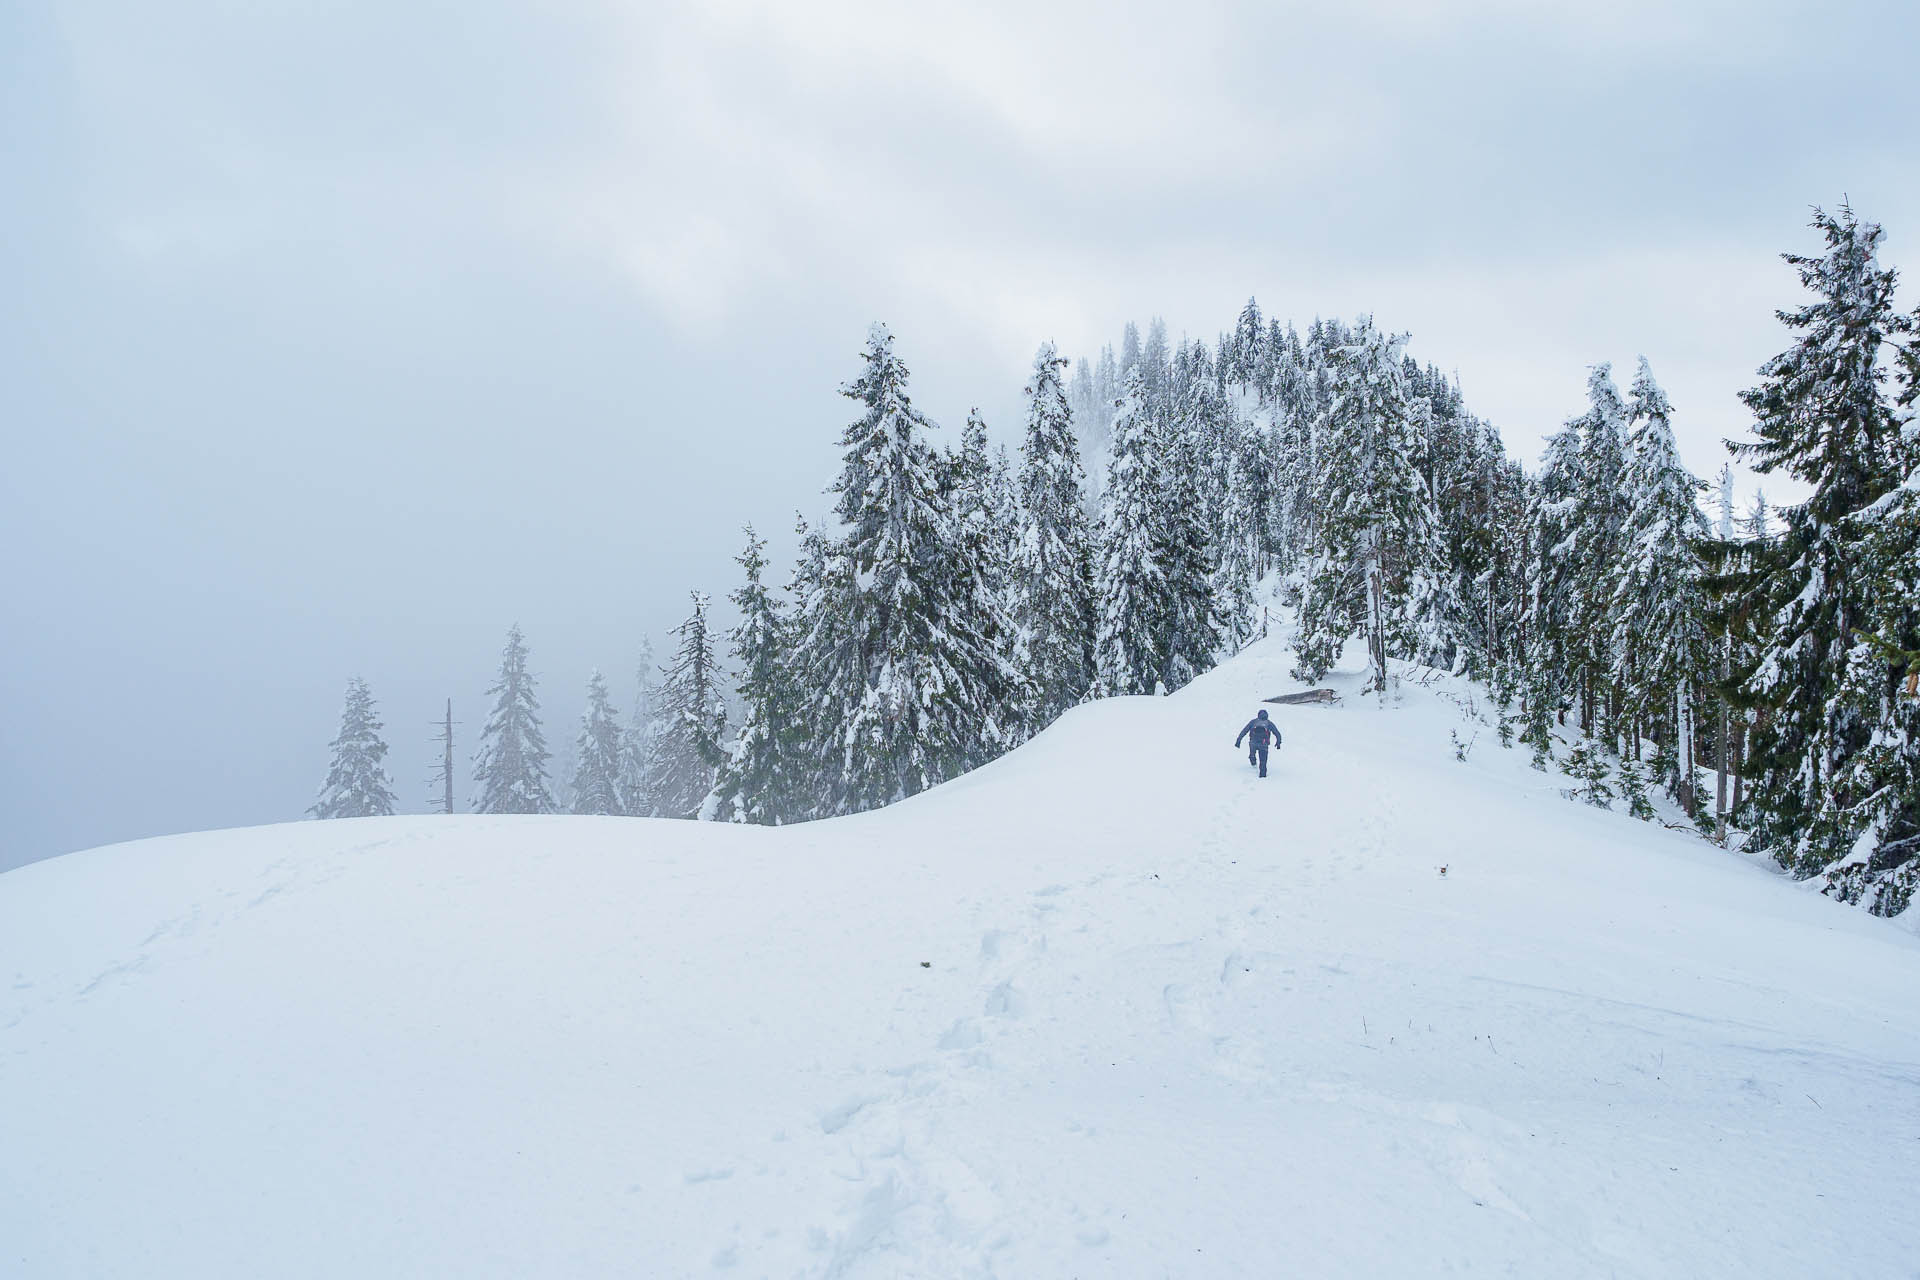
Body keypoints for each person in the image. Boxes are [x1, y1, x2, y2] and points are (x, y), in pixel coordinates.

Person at [1234, 708, 1283, 777]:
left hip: (1253, 743)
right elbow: (1277, 733)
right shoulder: (1269, 723)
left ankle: (1253, 762)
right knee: (1263, 761)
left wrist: (1238, 740)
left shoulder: (1253, 722)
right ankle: (1263, 777)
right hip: (1264, 744)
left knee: (1252, 754)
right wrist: (1278, 742)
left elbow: (1244, 731)